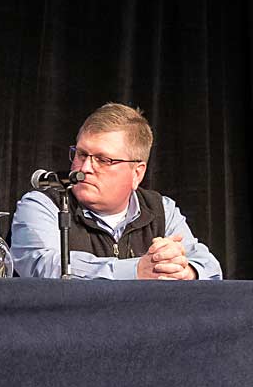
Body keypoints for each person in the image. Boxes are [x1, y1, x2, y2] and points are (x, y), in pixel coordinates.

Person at [11, 103, 221, 280]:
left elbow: (209, 267)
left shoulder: (162, 209)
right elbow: (42, 265)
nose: (85, 168)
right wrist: (135, 271)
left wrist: (185, 271)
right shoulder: (42, 204)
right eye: (82, 155)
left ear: (137, 174)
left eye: (103, 160)